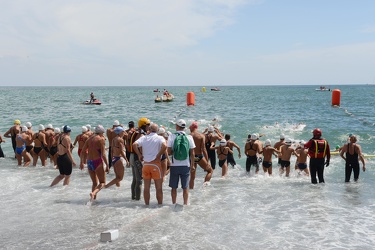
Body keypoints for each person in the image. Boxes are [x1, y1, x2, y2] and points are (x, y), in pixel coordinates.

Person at [133, 123, 166, 205]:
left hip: (146, 165)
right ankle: (159, 205)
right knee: (158, 188)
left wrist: (139, 154)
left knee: (146, 187)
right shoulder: (159, 138)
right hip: (155, 164)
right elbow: (165, 145)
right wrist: (158, 155)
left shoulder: (144, 138)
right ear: (157, 130)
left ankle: (146, 205)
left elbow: (134, 144)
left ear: (149, 130)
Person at [167, 119, 195, 205]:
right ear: (184, 127)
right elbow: (192, 153)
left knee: (174, 187)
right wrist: (192, 165)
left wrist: (173, 152)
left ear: (177, 126)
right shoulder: (189, 137)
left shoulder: (171, 136)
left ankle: (174, 204)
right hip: (185, 165)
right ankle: (185, 204)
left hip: (174, 165)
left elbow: (168, 151)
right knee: (185, 187)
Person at [80, 125, 109, 201]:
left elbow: (83, 151)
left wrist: (81, 163)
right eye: (103, 133)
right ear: (101, 132)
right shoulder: (101, 139)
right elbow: (103, 154)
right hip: (97, 162)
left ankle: (93, 201)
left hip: (89, 162)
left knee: (94, 183)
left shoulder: (89, 139)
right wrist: (107, 164)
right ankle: (93, 193)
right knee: (102, 182)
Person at [127, 117, 150, 200]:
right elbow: (137, 145)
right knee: (139, 180)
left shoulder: (135, 132)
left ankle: (133, 197)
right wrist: (140, 154)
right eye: (148, 125)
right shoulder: (141, 134)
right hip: (136, 157)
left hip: (132, 156)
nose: (149, 126)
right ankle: (137, 200)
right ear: (144, 125)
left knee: (135, 179)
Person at [189, 121, 213, 189]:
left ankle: (191, 191)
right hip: (199, 156)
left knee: (192, 176)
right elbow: (203, 149)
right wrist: (207, 161)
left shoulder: (188, 136)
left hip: (191, 157)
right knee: (210, 171)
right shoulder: (201, 136)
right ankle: (204, 187)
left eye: (190, 127)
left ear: (192, 127)